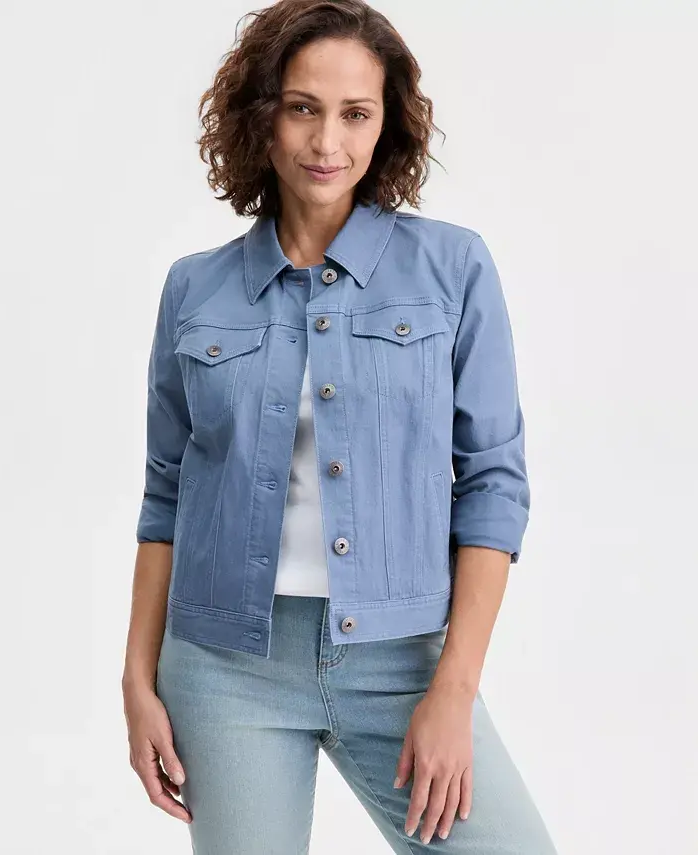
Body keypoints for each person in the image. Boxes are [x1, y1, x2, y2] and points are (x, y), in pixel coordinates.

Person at [122, 1, 559, 852]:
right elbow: (165, 495)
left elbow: (495, 487)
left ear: (386, 124)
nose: (328, 141)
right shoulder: (194, 288)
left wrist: (453, 690)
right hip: (225, 669)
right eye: (303, 108)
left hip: (405, 662)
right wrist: (137, 680)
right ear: (263, 117)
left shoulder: (452, 268)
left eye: (356, 113)